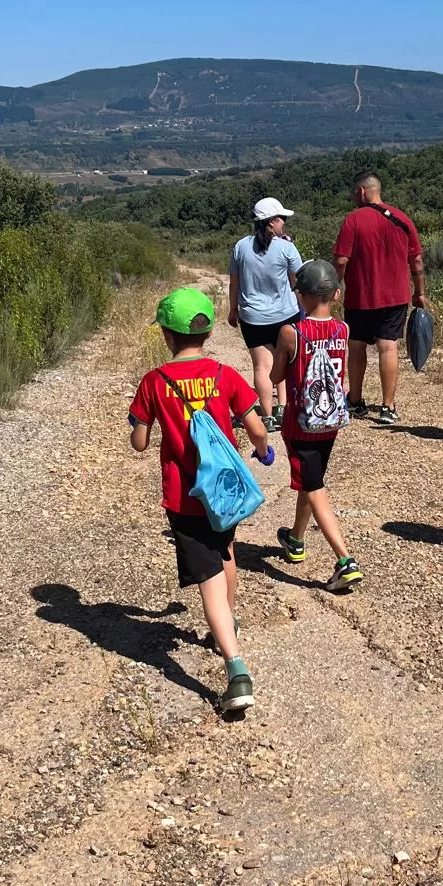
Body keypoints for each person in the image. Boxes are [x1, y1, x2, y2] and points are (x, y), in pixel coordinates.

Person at [129, 287, 275, 713]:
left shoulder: (154, 382)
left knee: (208, 576)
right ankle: (226, 626)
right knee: (225, 551)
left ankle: (236, 670)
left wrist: (142, 423)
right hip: (225, 492)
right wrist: (263, 451)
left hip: (185, 495)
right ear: (208, 333)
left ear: (166, 335)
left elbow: (139, 442)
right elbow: (257, 427)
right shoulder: (224, 374)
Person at [269, 260, 364, 592]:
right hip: (331, 422)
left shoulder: (291, 333)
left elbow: (276, 377)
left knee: (314, 486)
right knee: (312, 480)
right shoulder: (344, 329)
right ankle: (295, 540)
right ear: (335, 295)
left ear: (301, 296)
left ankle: (344, 561)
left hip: (301, 424)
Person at [332, 172, 427, 425]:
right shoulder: (402, 218)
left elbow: (341, 260)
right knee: (389, 346)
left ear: (362, 192)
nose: (353, 198)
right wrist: (420, 292)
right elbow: (416, 260)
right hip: (395, 295)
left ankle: (355, 401)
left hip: (360, 295)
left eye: (354, 194)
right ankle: (388, 406)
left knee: (356, 346)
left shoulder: (352, 220)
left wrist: (336, 284)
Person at [228, 197, 303, 432]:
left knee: (261, 365)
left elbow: (234, 282)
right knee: (286, 361)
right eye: (281, 218)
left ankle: (268, 415)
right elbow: (298, 281)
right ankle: (283, 407)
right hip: (285, 314)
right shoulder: (286, 247)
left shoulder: (241, 247)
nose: (284, 222)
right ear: (271, 222)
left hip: (253, 317)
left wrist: (233, 309)